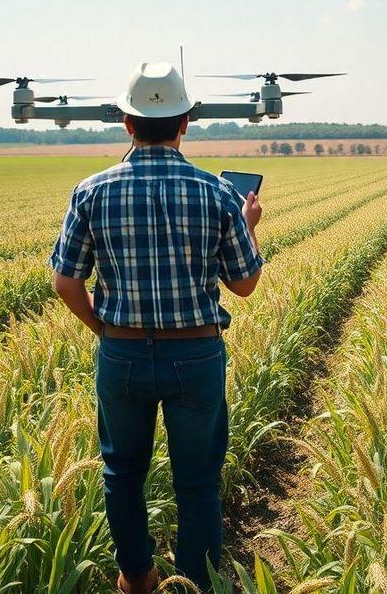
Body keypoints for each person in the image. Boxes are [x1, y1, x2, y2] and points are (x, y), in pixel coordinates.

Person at [50, 62, 264, 593]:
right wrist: (250, 227)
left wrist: (104, 329)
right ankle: (195, 581)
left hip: (121, 355)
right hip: (196, 356)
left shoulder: (91, 191)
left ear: (127, 123)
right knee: (198, 480)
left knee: (122, 473)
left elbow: (65, 282)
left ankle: (138, 576)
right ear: (185, 121)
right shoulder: (217, 194)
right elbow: (244, 284)